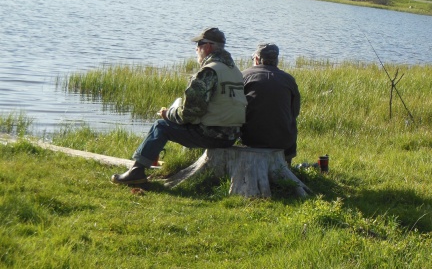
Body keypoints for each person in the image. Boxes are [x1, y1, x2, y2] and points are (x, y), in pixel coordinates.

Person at [111, 27, 247, 185]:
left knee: (161, 126)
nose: (196, 49)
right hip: (231, 136)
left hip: (212, 134)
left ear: (208, 47)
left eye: (199, 44)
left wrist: (168, 114)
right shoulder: (235, 71)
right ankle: (139, 169)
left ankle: (137, 171)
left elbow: (190, 114)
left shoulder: (208, 72)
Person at [241, 43, 301, 166]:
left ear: (257, 59)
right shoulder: (288, 79)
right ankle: (286, 165)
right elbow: (295, 112)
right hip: (284, 142)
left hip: (251, 140)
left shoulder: (243, 76)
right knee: (290, 123)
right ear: (276, 60)